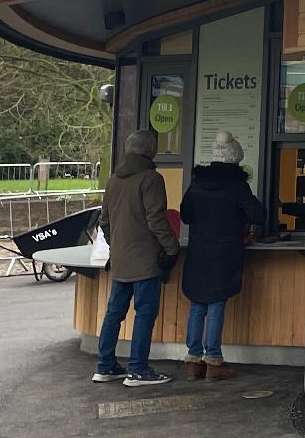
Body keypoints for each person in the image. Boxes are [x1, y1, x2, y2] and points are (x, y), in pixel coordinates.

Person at [94, 128, 180, 386]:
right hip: (145, 260)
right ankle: (138, 369)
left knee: (114, 314)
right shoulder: (151, 179)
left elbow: (104, 221)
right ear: (151, 150)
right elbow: (156, 219)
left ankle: (105, 366)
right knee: (144, 314)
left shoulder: (114, 180)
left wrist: (116, 246)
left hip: (121, 259)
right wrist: (171, 248)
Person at [179, 131, 267, 380]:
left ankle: (193, 360)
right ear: (235, 159)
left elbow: (185, 215)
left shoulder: (197, 184)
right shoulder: (237, 187)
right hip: (224, 253)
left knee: (197, 304)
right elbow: (258, 214)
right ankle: (214, 361)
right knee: (217, 303)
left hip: (198, 252)